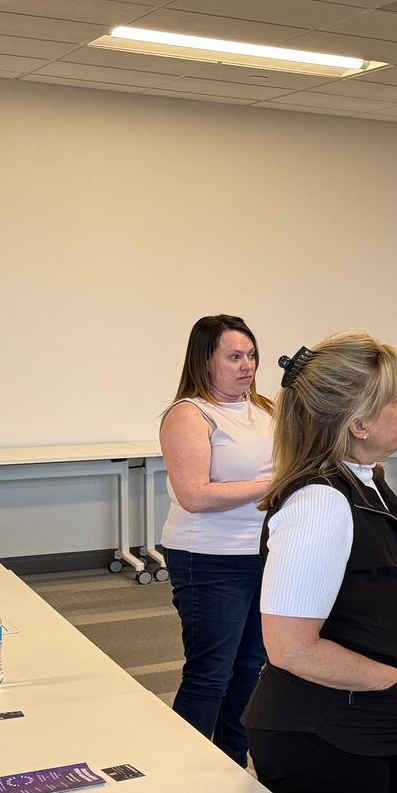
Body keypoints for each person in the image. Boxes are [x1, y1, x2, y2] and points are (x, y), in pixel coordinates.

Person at [241, 331, 397, 793]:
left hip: (368, 725)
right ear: (359, 424)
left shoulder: (365, 486)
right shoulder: (322, 503)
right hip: (322, 737)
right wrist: (390, 679)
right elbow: (291, 647)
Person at [159, 314, 276, 765]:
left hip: (261, 554)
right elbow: (195, 495)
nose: (246, 366)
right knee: (210, 674)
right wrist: (275, 482)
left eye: (250, 356)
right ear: (206, 361)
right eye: (234, 356)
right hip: (207, 559)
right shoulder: (189, 414)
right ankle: (186, 769)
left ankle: (228, 764)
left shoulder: (264, 408)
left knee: (250, 669)